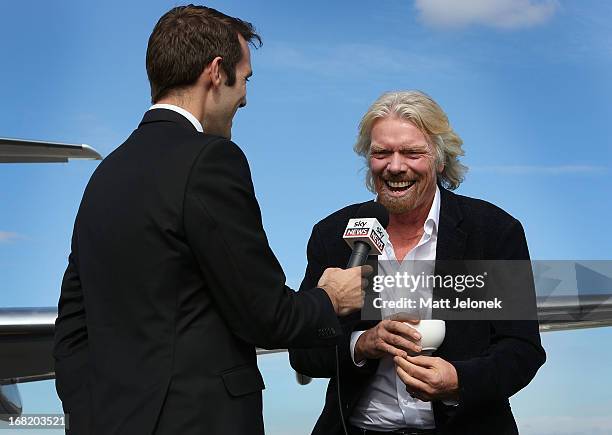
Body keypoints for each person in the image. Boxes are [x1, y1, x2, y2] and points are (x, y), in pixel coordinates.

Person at [53, 5, 369, 435]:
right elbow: (266, 315)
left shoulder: (105, 175)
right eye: (246, 78)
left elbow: (72, 328)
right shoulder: (210, 160)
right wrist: (330, 297)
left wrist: (92, 417)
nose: (246, 97)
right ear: (217, 72)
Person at [289, 90, 546, 435]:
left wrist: (457, 380)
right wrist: (361, 345)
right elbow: (304, 351)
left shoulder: (493, 232)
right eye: (382, 153)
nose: (395, 166)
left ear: (440, 159)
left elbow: (522, 350)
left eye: (411, 152)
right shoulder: (333, 234)